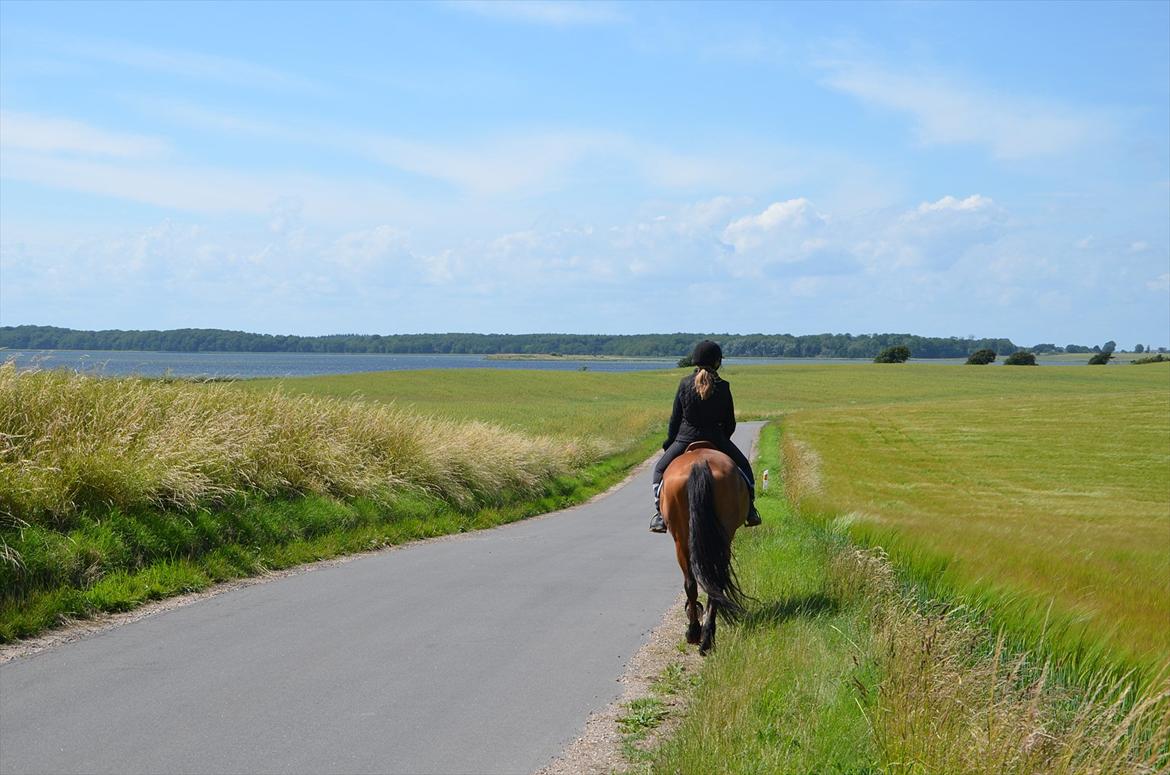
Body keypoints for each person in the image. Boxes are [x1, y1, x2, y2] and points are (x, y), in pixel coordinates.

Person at [649, 339, 762, 533]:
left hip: (684, 439)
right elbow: (730, 423)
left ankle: (659, 514)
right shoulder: (724, 386)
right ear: (717, 362)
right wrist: (721, 439)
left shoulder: (684, 384)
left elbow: (675, 420)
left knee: (659, 470)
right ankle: (751, 510)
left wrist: (671, 443)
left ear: (695, 360)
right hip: (716, 438)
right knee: (745, 468)